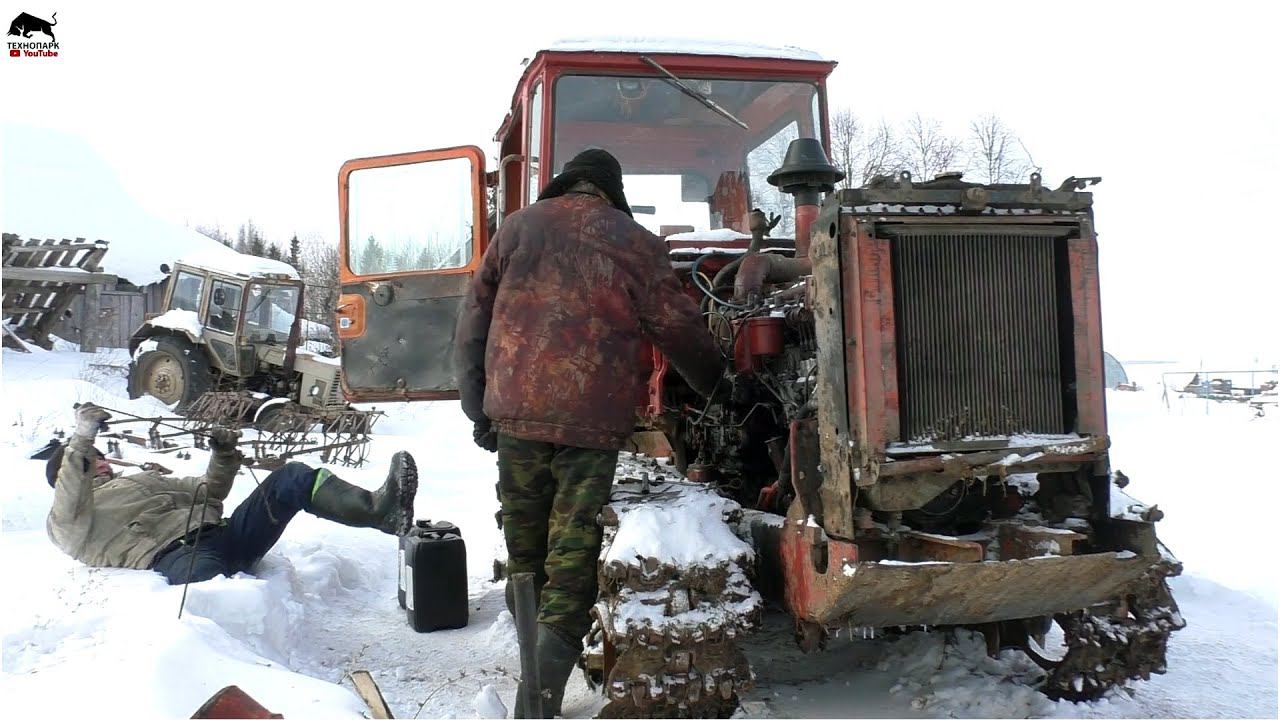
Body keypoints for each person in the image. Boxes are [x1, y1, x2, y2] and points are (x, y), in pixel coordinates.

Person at [454, 148, 724, 717]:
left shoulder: (517, 228)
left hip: (516, 418)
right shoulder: (633, 241)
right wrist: (718, 385)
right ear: (610, 190)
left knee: (526, 552)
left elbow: (473, 320)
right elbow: (676, 325)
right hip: (591, 423)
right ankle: (538, 701)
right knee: (572, 559)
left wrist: (478, 409)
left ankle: (533, 677)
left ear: (566, 182)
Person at [47, 403, 418, 585]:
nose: (100, 462)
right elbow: (70, 491)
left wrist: (223, 455)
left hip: (229, 534)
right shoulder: (67, 522)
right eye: (90, 461)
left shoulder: (142, 480)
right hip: (179, 557)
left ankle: (379, 511)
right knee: (208, 579)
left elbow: (209, 492)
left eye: (100, 456)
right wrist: (80, 442)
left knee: (290, 477)